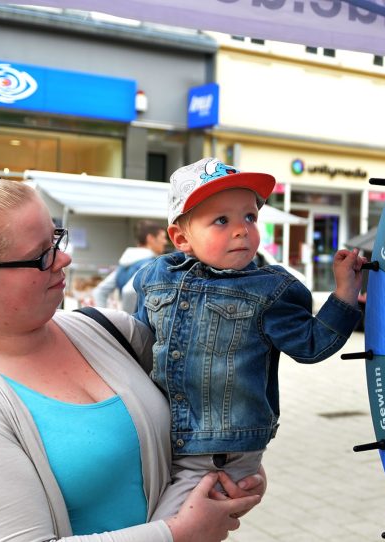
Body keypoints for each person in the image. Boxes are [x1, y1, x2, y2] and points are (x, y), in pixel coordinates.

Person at [0, 172, 265, 541]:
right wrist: (178, 534)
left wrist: (229, 468)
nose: (64, 258)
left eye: (55, 238)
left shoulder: (112, 330)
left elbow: (210, 404)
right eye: (41, 257)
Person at [133, 157, 365, 518]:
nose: (241, 230)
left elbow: (311, 344)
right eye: (221, 220)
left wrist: (344, 293)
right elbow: (137, 342)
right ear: (182, 238)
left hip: (219, 452)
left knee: (173, 529)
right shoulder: (156, 276)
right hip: (161, 439)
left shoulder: (269, 289)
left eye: (250, 217)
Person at [92, 219, 167, 313]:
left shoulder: (123, 265)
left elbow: (99, 291)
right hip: (140, 325)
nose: (165, 242)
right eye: (163, 237)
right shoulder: (150, 263)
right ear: (150, 238)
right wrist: (129, 321)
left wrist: (102, 319)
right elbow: (129, 291)